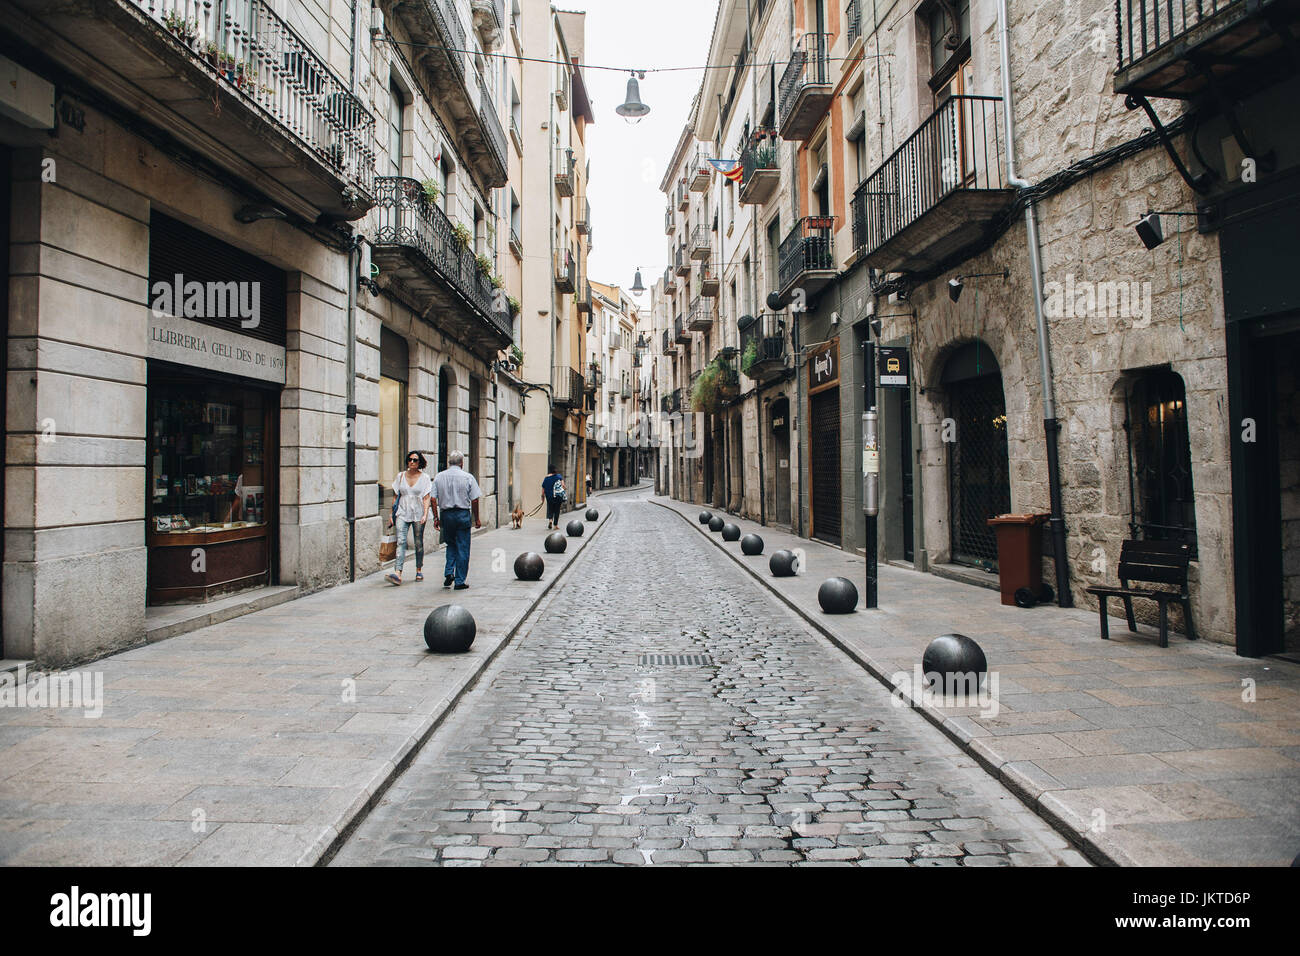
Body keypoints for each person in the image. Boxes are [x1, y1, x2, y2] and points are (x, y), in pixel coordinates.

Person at [430, 450, 482, 590]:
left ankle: (448, 572)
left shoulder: (439, 477)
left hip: (446, 515)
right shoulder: (468, 477)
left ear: (449, 462)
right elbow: (475, 499)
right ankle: (459, 581)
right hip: (462, 514)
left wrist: (436, 517)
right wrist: (476, 518)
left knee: (450, 544)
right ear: (462, 463)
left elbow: (433, 499)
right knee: (463, 547)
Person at [386, 451, 431, 586]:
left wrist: (425, 514)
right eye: (410, 459)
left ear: (419, 463)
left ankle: (418, 569)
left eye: (415, 460)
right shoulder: (400, 476)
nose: (412, 462)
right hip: (402, 512)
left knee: (418, 543)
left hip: (418, 513)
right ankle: (398, 573)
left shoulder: (425, 478)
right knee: (401, 541)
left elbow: (426, 498)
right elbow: (395, 496)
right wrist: (391, 515)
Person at [542, 464, 565, 530]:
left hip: (549, 496)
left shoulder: (546, 478)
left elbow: (543, 488)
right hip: (558, 496)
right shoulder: (559, 476)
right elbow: (563, 485)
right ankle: (555, 525)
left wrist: (542, 496)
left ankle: (550, 520)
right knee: (557, 510)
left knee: (550, 508)